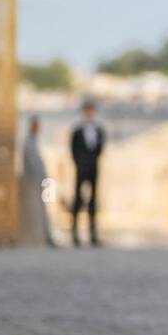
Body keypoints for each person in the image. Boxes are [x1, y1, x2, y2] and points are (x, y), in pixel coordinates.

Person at [70, 99, 105, 247]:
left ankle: (92, 233)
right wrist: (79, 163)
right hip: (81, 168)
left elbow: (100, 149)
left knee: (93, 201)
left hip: (93, 168)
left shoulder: (98, 130)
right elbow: (73, 149)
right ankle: (75, 233)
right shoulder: (78, 131)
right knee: (78, 199)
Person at [18, 115, 55, 246]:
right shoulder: (28, 142)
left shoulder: (35, 140)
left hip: (41, 182)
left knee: (44, 211)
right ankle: (43, 237)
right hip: (34, 183)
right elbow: (33, 164)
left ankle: (47, 236)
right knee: (37, 214)